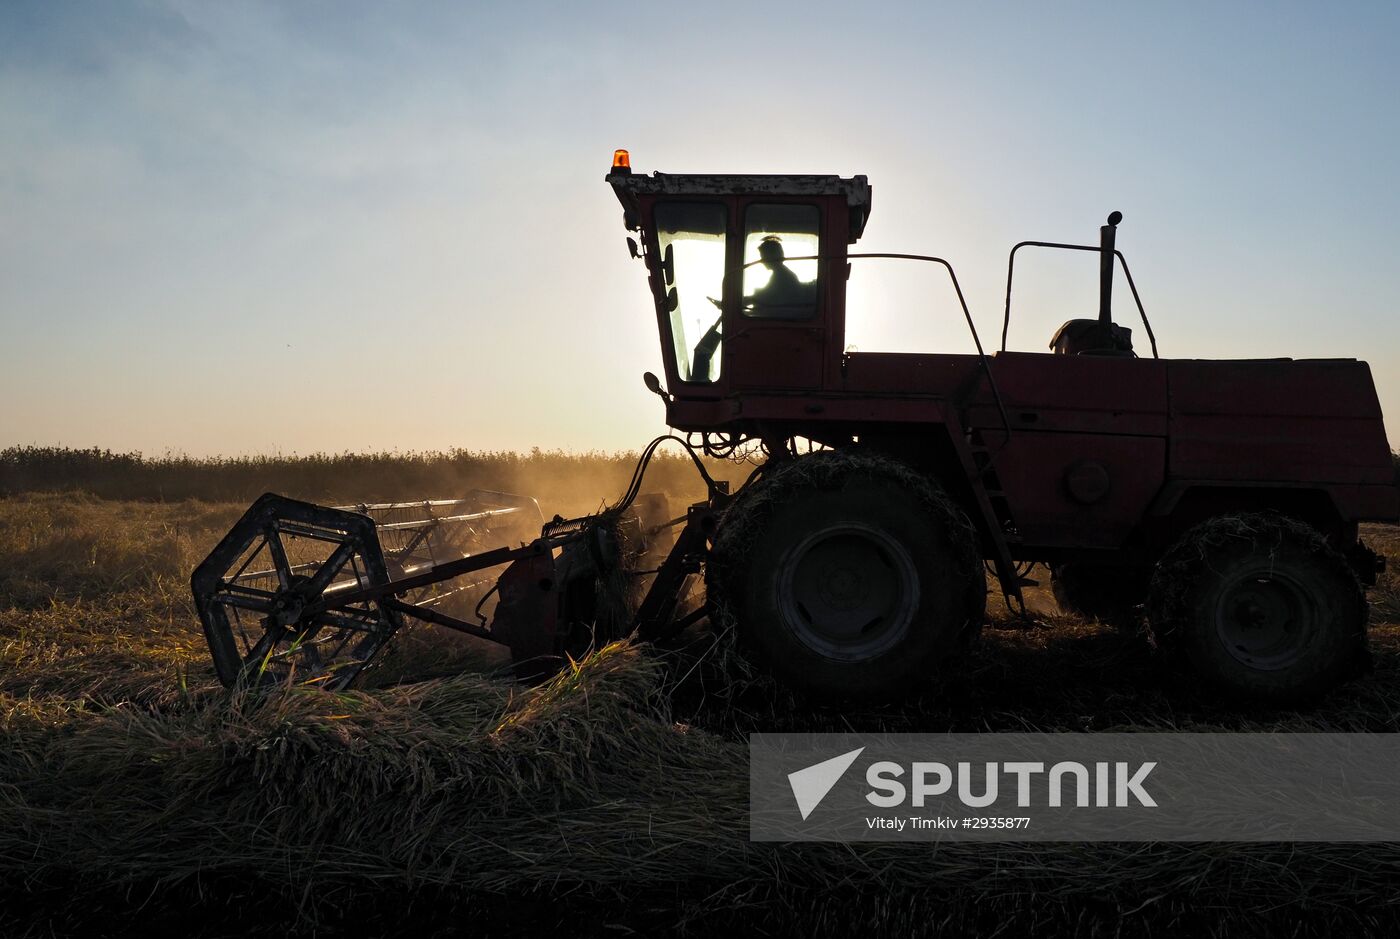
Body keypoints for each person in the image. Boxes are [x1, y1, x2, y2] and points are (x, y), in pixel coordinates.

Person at [746, 236, 810, 317]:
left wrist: (752, 299)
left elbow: (770, 300)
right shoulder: (780, 274)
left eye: (763, 257)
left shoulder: (783, 277)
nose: (762, 261)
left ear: (772, 256)